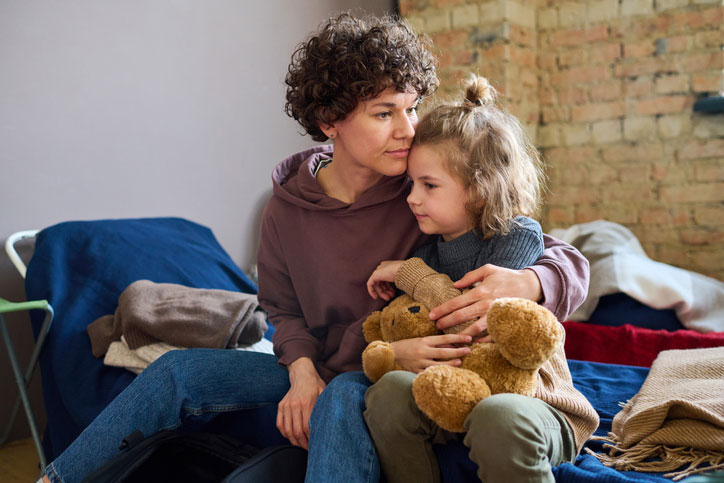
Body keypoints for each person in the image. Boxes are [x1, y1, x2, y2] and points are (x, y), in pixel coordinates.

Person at [41, 13, 589, 483]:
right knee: (178, 372)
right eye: (384, 112)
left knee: (343, 400)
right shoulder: (286, 209)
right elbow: (281, 308)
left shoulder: (421, 190)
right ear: (331, 123)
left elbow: (548, 247)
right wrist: (301, 370)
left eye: (412, 107)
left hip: (372, 369)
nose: (408, 129)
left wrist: (531, 281)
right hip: (316, 362)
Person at [363, 75, 599, 483]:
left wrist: (409, 274)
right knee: (387, 393)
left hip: (534, 402)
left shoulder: (515, 236)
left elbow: (472, 323)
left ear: (479, 190)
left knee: (499, 413)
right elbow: (418, 323)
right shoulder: (427, 252)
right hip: (453, 395)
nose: (412, 198)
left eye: (429, 185)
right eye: (412, 183)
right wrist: (397, 349)